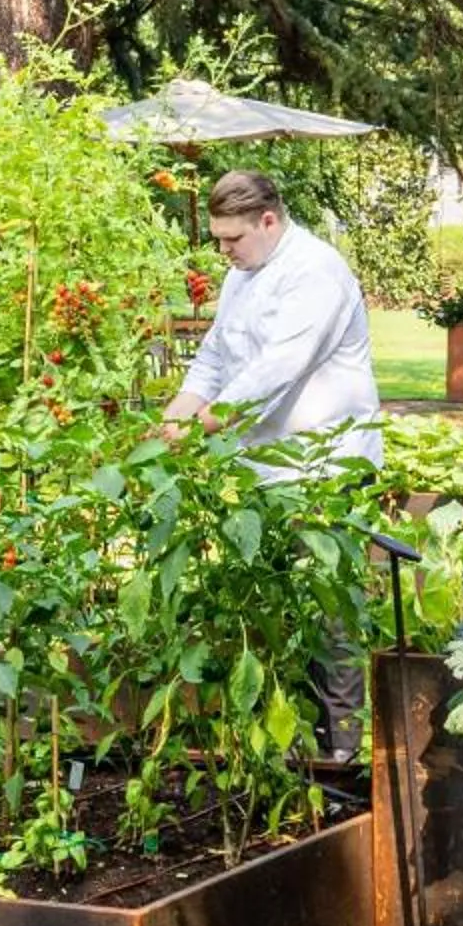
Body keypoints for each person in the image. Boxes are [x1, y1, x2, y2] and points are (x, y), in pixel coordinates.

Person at [158, 170, 383, 756]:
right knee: (277, 609)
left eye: (233, 239)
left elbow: (276, 368)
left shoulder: (316, 272)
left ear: (268, 220)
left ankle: (341, 752)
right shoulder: (243, 273)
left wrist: (205, 423)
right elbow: (216, 354)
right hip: (267, 471)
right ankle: (289, 747)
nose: (224, 252)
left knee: (330, 614)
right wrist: (178, 408)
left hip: (324, 468)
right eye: (218, 240)